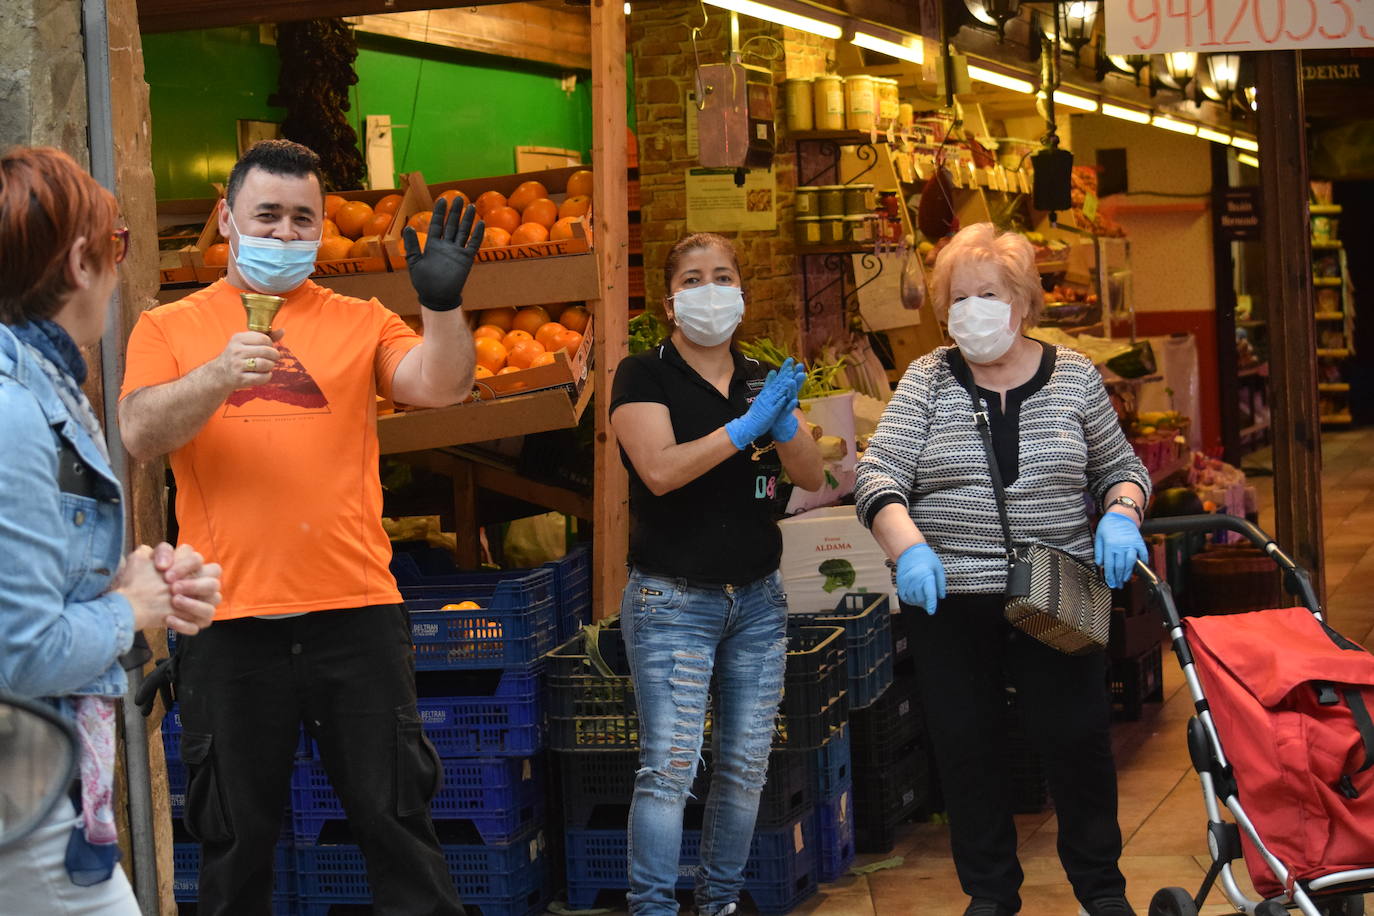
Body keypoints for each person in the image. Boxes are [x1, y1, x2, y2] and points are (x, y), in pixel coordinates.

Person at [117, 140, 482, 915]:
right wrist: (219, 372)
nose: (284, 235)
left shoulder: (360, 319)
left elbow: (440, 386)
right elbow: (140, 432)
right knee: (235, 846)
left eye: (301, 220)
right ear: (227, 218)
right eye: (267, 216)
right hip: (228, 621)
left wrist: (443, 307)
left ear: (321, 230)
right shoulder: (170, 327)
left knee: (398, 828)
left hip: (355, 613)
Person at [854, 222, 1151, 916]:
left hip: (1058, 587)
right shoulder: (927, 379)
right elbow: (877, 478)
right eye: (958, 298)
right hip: (952, 597)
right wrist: (910, 547)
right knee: (966, 744)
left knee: (1076, 739)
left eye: (987, 294)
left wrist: (1121, 513)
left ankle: (1102, 892)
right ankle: (990, 893)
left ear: (1021, 301)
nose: (972, 311)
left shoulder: (1074, 375)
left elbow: (1122, 469)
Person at [0, 145, 221, 913]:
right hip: (24, 797)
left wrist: (137, 586)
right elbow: (23, 650)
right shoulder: (17, 412)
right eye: (115, 246)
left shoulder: (45, 385)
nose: (118, 269)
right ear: (77, 263)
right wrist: (131, 610)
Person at [609, 232, 824, 916]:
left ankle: (721, 903)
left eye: (722, 275)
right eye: (694, 277)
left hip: (757, 599)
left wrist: (783, 422)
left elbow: (813, 476)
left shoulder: (764, 376)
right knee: (671, 767)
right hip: (674, 597)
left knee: (742, 768)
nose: (711, 288)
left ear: (741, 293)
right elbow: (661, 471)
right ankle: (653, 907)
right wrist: (741, 429)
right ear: (672, 302)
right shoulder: (642, 375)